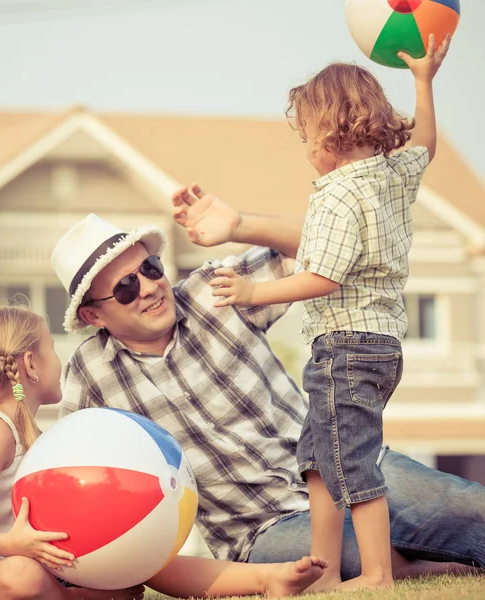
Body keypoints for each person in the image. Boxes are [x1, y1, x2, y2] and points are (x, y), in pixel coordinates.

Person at [52, 226, 485, 581]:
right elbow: (63, 472)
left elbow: (327, 243)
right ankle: (440, 568)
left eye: (149, 268)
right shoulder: (89, 374)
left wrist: (237, 224)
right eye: (126, 288)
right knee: (358, 555)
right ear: (93, 315)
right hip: (260, 530)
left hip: (346, 465)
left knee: (468, 508)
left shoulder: (212, 290)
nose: (148, 287)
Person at [182, 36, 452, 592]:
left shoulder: (335, 195)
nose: (306, 148)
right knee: (317, 460)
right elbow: (425, 143)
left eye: (306, 136)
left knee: (349, 462)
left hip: (346, 348)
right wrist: (423, 82)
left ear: (327, 133)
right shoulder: (390, 174)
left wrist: (254, 293)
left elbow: (323, 276)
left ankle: (376, 574)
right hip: (378, 345)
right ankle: (325, 569)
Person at [0, 305, 328, 600]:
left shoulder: (37, 436)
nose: (58, 359)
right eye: (51, 348)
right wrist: (22, 545)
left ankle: (266, 579)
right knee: (22, 576)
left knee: (142, 554)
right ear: (31, 364)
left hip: (33, 558)